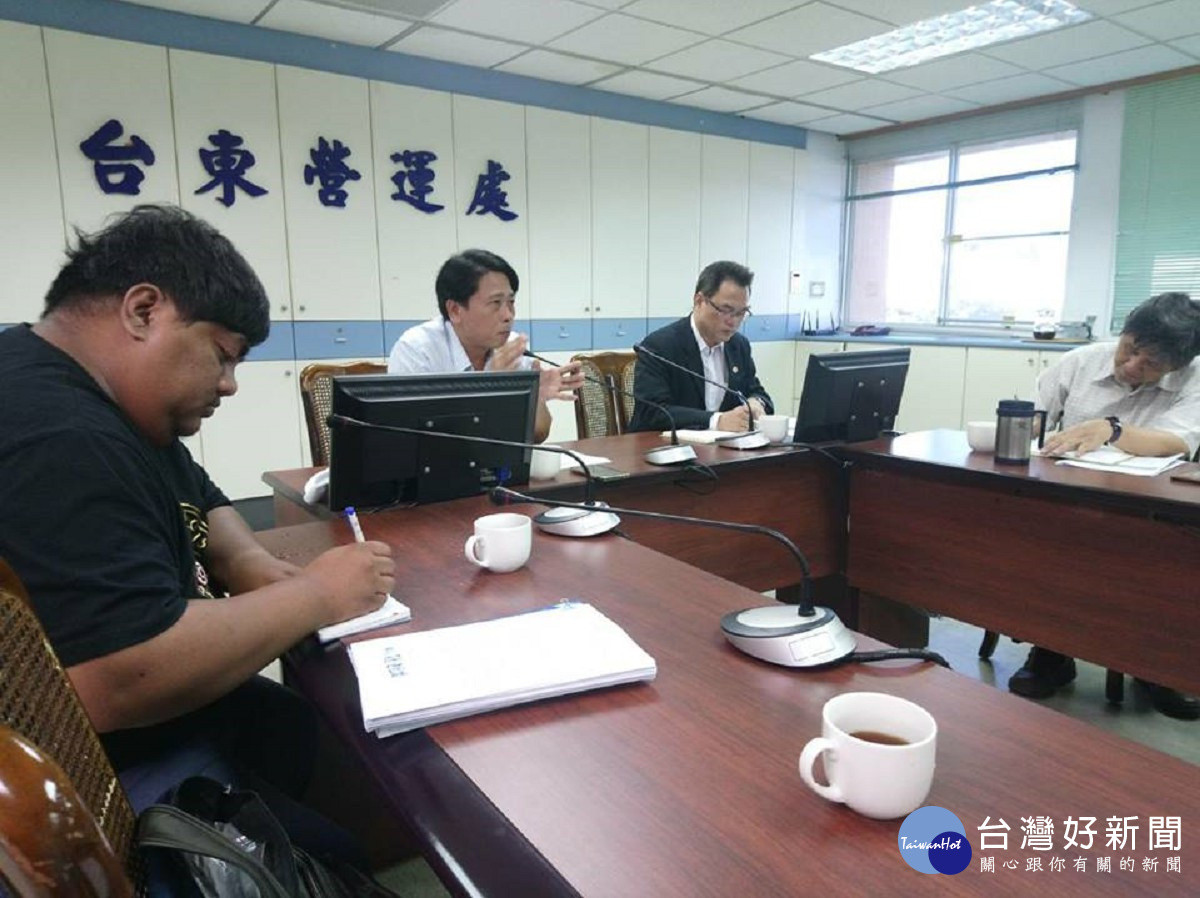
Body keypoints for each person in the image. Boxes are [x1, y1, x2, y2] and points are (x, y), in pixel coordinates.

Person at [0, 205, 396, 862]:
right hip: (84, 773)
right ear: (143, 311)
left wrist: (245, 561)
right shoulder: (59, 435)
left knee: (287, 721)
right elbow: (120, 675)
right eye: (221, 355)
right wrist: (316, 596)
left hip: (115, 730)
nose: (229, 385)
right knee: (334, 853)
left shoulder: (82, 388)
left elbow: (201, 495)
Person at [1009, 291, 1200, 720]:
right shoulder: (1080, 361)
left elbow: (1176, 441)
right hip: (1071, 497)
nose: (1131, 366)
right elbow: (1031, 417)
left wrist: (1111, 430)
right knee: (1044, 535)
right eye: (1130, 349)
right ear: (1125, 332)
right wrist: (1027, 431)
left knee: (1172, 555)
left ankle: (1156, 664)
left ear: (1176, 367)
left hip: (1153, 504)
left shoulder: (1195, 379)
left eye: (1150, 364)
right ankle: (1051, 649)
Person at [387, 249, 582, 443]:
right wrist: (492, 389)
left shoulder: (512, 348)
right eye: (496, 303)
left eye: (511, 302)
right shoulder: (417, 351)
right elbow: (412, 439)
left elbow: (539, 434)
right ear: (455, 310)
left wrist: (535, 399)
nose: (508, 315)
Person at [629, 260, 773, 433]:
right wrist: (716, 421)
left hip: (724, 447)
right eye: (726, 310)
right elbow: (652, 413)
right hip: (665, 445)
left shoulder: (738, 346)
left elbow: (757, 392)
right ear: (699, 301)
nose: (733, 321)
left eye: (741, 312)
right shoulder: (660, 346)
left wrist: (756, 402)